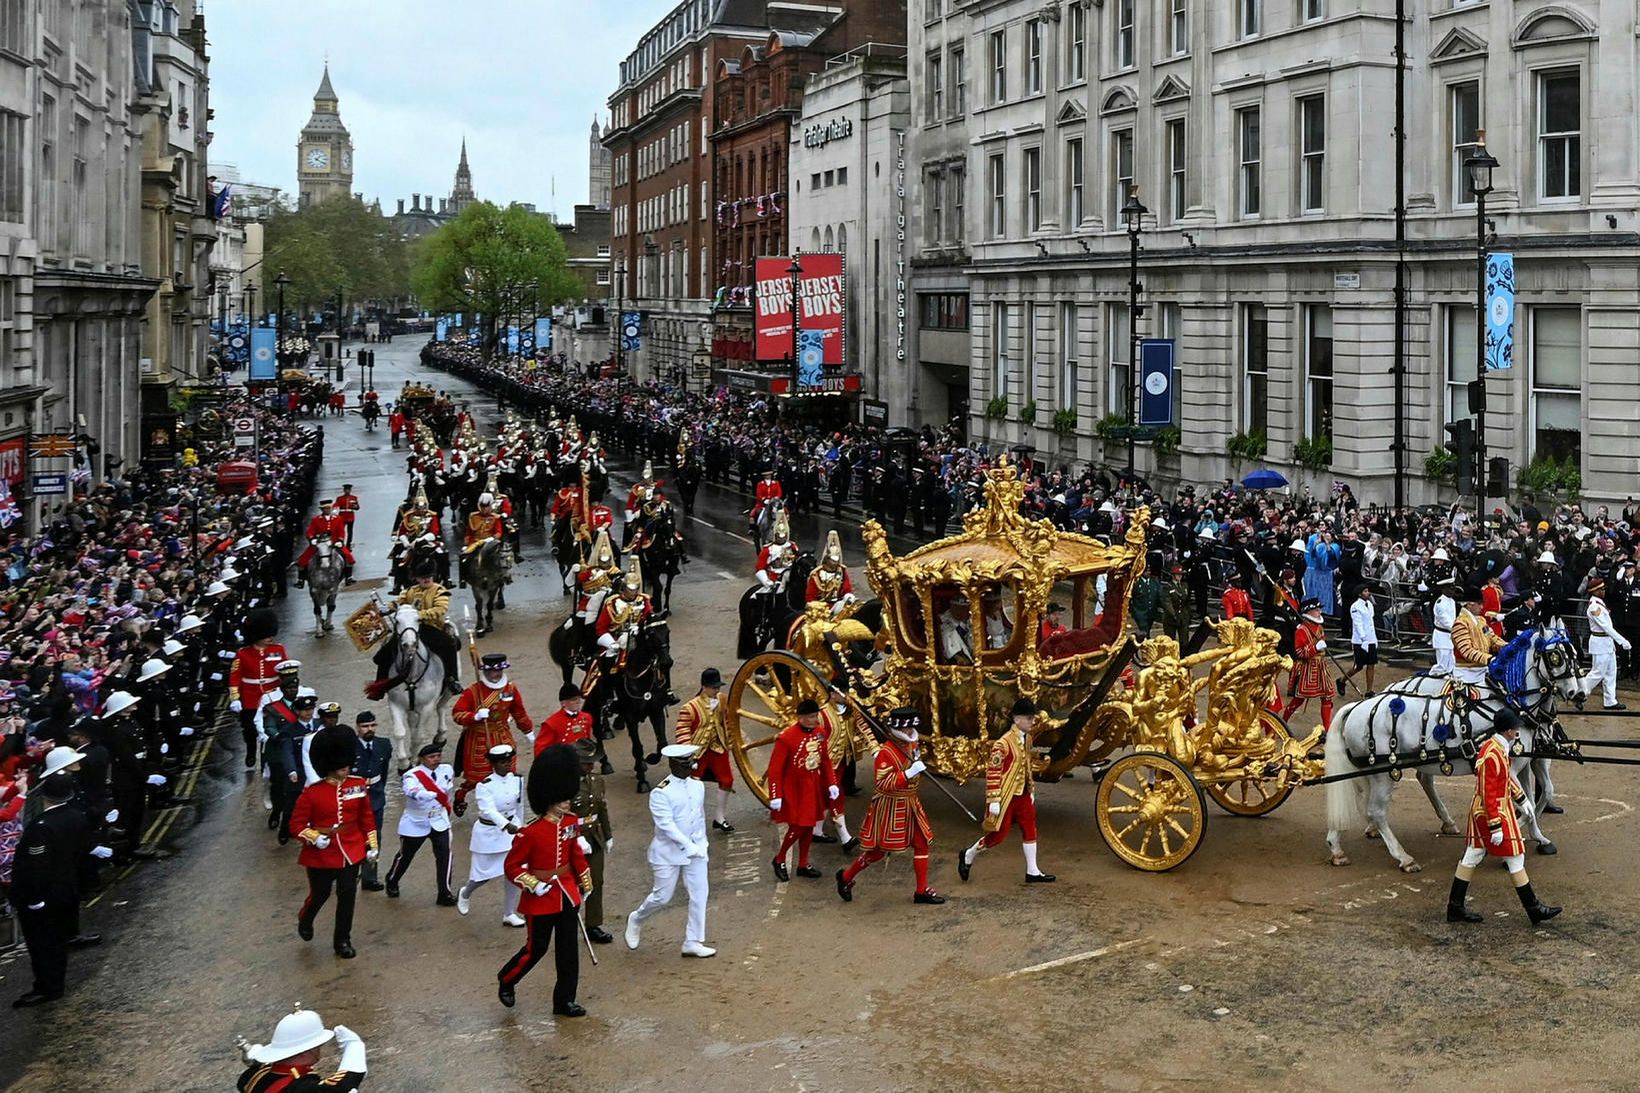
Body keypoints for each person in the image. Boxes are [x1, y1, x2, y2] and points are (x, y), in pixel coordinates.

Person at [1445, 707, 1562, 926]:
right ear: (1509, 730)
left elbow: (1505, 780)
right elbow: (1488, 793)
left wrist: (1522, 799)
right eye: (1515, 727)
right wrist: (1495, 826)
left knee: (1472, 855)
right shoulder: (1493, 753)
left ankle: (1455, 907)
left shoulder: (1497, 748)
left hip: (1493, 809)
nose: (1517, 730)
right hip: (1493, 812)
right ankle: (1533, 908)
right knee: (1515, 855)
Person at [497, 744, 591, 1014]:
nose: (568, 802)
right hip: (541, 897)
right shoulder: (530, 833)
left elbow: (575, 855)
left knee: (568, 952)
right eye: (563, 798)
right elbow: (512, 867)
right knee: (535, 949)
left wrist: (585, 883)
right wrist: (533, 884)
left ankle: (564, 1000)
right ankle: (507, 978)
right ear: (550, 798)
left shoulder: (570, 822)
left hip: (566, 893)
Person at [10, 768, 103, 1007]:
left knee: (42, 943)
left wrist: (33, 898)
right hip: (65, 888)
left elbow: (36, 867)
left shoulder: (41, 826)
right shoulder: (75, 816)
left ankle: (48, 987)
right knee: (57, 940)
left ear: (44, 796)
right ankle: (54, 982)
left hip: (45, 895)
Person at [836, 707, 943, 905]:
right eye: (908, 728)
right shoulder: (886, 752)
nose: (911, 731)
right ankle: (846, 877)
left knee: (921, 843)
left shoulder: (911, 744)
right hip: (890, 806)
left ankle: (921, 891)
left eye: (913, 728)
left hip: (910, 801)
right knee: (877, 852)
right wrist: (908, 773)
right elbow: (883, 783)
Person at [289, 726, 378, 959]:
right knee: (320, 894)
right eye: (340, 766)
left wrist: (372, 845)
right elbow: (296, 826)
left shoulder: (357, 785)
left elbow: (366, 818)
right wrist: (314, 837)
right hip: (321, 853)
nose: (345, 769)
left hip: (351, 848)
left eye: (346, 765)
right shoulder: (312, 793)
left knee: (347, 895)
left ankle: (342, 940)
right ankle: (306, 917)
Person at [624, 743, 714, 957]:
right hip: (668, 853)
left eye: (690, 761)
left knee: (700, 895)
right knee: (662, 897)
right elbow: (666, 825)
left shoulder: (697, 786)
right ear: (673, 764)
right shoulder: (660, 792)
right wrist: (688, 845)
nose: (690, 766)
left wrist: (701, 844)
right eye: (684, 763)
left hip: (697, 849)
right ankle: (637, 918)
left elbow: (698, 817)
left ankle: (692, 941)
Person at [958, 698, 1055, 885]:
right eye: (1029, 718)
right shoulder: (1002, 744)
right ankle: (969, 854)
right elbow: (993, 772)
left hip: (1022, 793)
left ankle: (1032, 870)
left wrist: (1031, 788)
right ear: (1017, 719)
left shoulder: (1027, 738)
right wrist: (994, 799)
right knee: (998, 836)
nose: (1032, 721)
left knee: (1030, 828)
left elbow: (1026, 765)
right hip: (1005, 795)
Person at [765, 699, 840, 882]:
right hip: (794, 788)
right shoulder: (786, 738)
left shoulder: (820, 734)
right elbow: (775, 769)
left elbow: (825, 760)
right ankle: (780, 857)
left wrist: (831, 783)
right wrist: (776, 795)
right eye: (811, 716)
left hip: (812, 785)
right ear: (801, 718)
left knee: (809, 825)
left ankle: (803, 863)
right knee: (800, 825)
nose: (815, 720)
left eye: (816, 716)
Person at [451, 652, 535, 811]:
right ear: (485, 672)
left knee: (507, 770)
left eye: (499, 671)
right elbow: (457, 714)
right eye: (492, 672)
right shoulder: (473, 691)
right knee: (480, 775)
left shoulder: (510, 688)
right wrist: (474, 716)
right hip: (480, 737)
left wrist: (528, 730)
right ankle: (462, 793)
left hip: (503, 735)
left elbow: (519, 712)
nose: (496, 674)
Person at [368, 562, 462, 698]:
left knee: (449, 645)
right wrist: (387, 608)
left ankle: (451, 679)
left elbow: (440, 609)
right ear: (416, 578)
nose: (426, 579)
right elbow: (399, 603)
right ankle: (380, 684)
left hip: (429, 627)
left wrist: (419, 615)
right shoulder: (409, 591)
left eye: (429, 576)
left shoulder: (439, 591)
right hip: (409, 628)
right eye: (423, 577)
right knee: (385, 652)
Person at [457, 743, 525, 925]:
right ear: (493, 765)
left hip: (512, 831)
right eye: (503, 762)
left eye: (509, 761)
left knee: (513, 872)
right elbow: (488, 810)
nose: (507, 765)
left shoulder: (517, 779)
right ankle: (465, 892)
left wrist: (521, 825)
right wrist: (506, 825)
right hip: (490, 834)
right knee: (482, 875)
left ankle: (509, 913)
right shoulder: (484, 785)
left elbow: (519, 805)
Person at [384, 742, 456, 905]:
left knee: (445, 856)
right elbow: (410, 790)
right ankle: (393, 879)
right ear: (422, 759)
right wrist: (423, 794)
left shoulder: (446, 770)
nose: (436, 760)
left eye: (438, 756)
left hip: (439, 820)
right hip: (417, 822)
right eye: (432, 757)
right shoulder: (412, 775)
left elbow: (449, 792)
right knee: (406, 856)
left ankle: (444, 893)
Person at [237, 1008, 368, 1092]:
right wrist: (354, 1046)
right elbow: (342, 1086)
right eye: (317, 1045)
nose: (320, 1048)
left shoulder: (253, 1075)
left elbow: (261, 1068)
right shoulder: (303, 1087)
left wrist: (259, 1055)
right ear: (306, 1050)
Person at [675, 667, 734, 832]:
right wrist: (687, 754)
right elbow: (683, 731)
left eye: (718, 687)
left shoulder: (722, 699)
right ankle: (694, 819)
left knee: (727, 780)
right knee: (694, 787)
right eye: (714, 687)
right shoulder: (690, 707)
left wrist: (728, 742)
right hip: (697, 751)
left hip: (717, 747)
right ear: (704, 687)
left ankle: (719, 817)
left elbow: (726, 721)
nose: (717, 690)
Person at [229, 608, 287, 770]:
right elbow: (234, 676)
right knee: (249, 729)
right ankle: (250, 750)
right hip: (250, 697)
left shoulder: (278, 649)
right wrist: (235, 698)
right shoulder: (243, 653)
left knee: (272, 726)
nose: (270, 638)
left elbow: (286, 672)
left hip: (273, 694)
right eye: (266, 635)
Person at [570, 736, 614, 944]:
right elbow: (561, 816)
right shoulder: (566, 784)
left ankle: (593, 924)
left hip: (594, 837)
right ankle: (567, 922)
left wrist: (608, 835)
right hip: (572, 839)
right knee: (571, 882)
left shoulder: (597, 781)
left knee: (595, 880)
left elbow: (601, 809)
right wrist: (575, 837)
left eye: (592, 762)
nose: (590, 766)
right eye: (585, 763)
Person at [352, 712, 392, 891]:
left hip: (375, 797)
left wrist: (378, 792)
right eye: (365, 726)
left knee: (374, 837)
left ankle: (369, 877)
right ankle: (349, 874)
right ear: (357, 728)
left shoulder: (384, 745)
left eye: (373, 725)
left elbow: (383, 772)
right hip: (353, 797)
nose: (369, 729)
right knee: (351, 836)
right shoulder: (348, 746)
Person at [1282, 598, 1336, 729]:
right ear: (1309, 612)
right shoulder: (1302, 630)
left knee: (1327, 697)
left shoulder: (1319, 627)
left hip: (1321, 667)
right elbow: (1299, 653)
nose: (1320, 612)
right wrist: (1315, 648)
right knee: (1298, 699)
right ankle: (1283, 722)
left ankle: (1327, 729)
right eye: (1316, 610)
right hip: (1307, 669)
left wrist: (1320, 648)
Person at [1585, 576, 1630, 710]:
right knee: (1597, 673)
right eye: (1601, 589)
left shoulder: (1600, 604)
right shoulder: (1594, 607)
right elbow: (1606, 627)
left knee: (1611, 673)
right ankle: (1579, 692)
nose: (1604, 591)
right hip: (1600, 643)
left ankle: (1610, 700)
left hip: (1606, 642)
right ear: (1595, 591)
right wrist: (1622, 641)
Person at [295, 498, 355, 587]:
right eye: (325, 508)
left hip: (334, 543)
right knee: (302, 560)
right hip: (320, 544)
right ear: (322, 509)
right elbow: (310, 532)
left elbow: (341, 531)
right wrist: (312, 539)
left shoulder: (338, 519)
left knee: (349, 557)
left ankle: (348, 577)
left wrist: (340, 540)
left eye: (328, 508)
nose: (327, 510)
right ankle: (301, 580)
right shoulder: (316, 520)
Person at [1452, 595, 1504, 687]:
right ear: (1469, 605)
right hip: (1466, 673)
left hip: (1483, 670)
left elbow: (1492, 639)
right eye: (1479, 603)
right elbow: (1466, 651)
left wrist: (1510, 646)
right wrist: (1489, 659)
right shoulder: (1460, 623)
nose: (1482, 607)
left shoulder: (1481, 620)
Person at [1339, 585, 1379, 695]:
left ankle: (1369, 690)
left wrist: (1373, 639)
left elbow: (1371, 622)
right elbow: (1358, 624)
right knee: (1358, 666)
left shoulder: (1370, 605)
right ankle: (1342, 680)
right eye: (1365, 591)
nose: (1368, 593)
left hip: (1370, 639)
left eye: (1368, 590)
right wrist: (1363, 638)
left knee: (1371, 665)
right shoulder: (1355, 607)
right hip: (1360, 641)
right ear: (1359, 594)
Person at [804, 531, 855, 616]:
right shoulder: (816, 574)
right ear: (827, 559)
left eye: (836, 560)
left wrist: (848, 597)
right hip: (821, 607)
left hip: (838, 604)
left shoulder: (842, 571)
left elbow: (847, 589)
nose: (835, 563)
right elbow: (810, 596)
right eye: (832, 560)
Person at [535, 683, 593, 754]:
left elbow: (587, 740)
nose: (577, 702)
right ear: (563, 703)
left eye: (578, 698)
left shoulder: (587, 718)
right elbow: (540, 749)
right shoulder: (551, 724)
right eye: (573, 700)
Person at [1430, 575, 1458, 677]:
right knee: (1442, 664)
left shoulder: (1452, 601)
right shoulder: (1440, 603)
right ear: (1444, 589)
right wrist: (1458, 629)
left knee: (1451, 662)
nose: (1452, 591)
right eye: (1450, 588)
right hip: (1442, 636)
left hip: (1449, 636)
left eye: (1453, 588)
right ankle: (1433, 677)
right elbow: (1446, 621)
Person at [334, 484, 361, 548]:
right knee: (341, 530)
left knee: (350, 531)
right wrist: (334, 510)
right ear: (344, 490)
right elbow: (336, 505)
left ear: (350, 490)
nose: (347, 491)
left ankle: (349, 543)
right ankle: (341, 542)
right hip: (342, 516)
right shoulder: (340, 498)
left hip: (350, 516)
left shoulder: (354, 498)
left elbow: (357, 507)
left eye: (348, 490)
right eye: (346, 490)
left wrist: (355, 506)